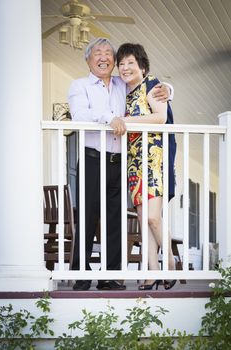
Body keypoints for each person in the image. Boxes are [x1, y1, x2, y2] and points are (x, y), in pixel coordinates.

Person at [68, 38, 172, 291]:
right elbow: (80, 114)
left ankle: (111, 276)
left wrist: (167, 88)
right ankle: (82, 275)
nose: (104, 57)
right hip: (93, 158)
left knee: (115, 220)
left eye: (108, 54)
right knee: (88, 216)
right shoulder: (80, 85)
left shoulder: (119, 84)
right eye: (97, 53)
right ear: (88, 59)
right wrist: (110, 118)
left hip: (119, 162)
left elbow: (144, 86)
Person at [116, 43, 177, 290]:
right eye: (121, 64)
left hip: (155, 159)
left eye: (131, 62)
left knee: (153, 217)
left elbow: (160, 117)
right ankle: (152, 274)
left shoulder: (152, 85)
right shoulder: (123, 93)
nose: (125, 68)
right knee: (143, 219)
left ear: (142, 66)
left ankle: (171, 266)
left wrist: (125, 120)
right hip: (134, 162)